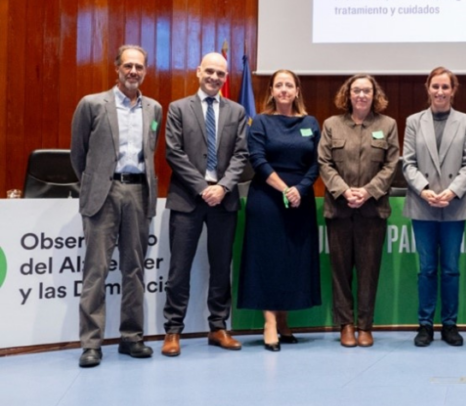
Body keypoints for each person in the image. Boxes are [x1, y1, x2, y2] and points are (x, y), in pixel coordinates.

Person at [70, 45, 162, 368]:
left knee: (134, 270)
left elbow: (150, 151)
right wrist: (95, 184)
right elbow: (78, 154)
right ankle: (91, 344)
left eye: (139, 66)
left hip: (138, 193)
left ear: (145, 71)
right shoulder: (92, 104)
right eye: (128, 65)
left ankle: (131, 337)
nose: (133, 71)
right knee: (96, 270)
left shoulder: (154, 109)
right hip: (103, 193)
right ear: (117, 68)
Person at [160, 52, 249, 356]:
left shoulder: (236, 111)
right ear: (198, 71)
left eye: (220, 74)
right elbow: (173, 153)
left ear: (226, 77)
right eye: (209, 71)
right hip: (188, 198)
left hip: (224, 200)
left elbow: (241, 155)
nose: (214, 77)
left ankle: (218, 327)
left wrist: (222, 187)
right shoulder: (178, 108)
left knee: (221, 267)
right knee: (179, 268)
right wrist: (202, 187)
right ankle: (172, 330)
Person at [238, 69, 322, 352]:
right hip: (268, 199)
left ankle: (285, 319)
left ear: (297, 90)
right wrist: (284, 188)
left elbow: (317, 162)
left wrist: (300, 189)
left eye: (289, 85)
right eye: (279, 85)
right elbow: (258, 159)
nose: (284, 90)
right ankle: (270, 322)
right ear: (271, 90)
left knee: (292, 260)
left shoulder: (310, 122)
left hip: (301, 198)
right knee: (268, 260)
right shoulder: (261, 121)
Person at [318, 74, 399, 348]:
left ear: (374, 95)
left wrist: (367, 192)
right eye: (356, 91)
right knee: (340, 272)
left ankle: (365, 325)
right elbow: (324, 162)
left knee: (368, 270)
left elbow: (391, 165)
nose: (362, 95)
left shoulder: (387, 125)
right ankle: (346, 325)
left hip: (372, 211)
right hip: (339, 210)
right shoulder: (331, 125)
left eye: (367, 91)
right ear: (348, 94)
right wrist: (344, 191)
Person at [402, 67, 466, 347]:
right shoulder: (413, 121)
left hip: (453, 205)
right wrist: (424, 190)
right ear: (428, 87)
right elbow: (407, 162)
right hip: (423, 205)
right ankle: (425, 325)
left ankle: (449, 324)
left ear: (453, 89)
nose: (440, 92)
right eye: (435, 86)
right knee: (427, 269)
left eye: (445, 87)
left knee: (450, 269)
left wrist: (451, 191)